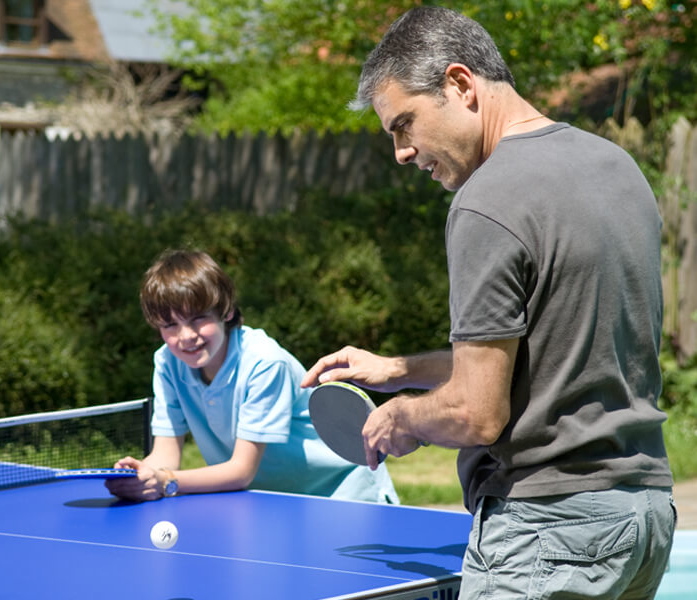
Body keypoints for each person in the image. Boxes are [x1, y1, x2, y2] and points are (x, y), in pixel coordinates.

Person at [301, 6, 675, 599]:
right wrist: (399, 371)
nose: (401, 152)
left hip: (548, 528)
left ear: (460, 84)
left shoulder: (486, 200)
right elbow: (553, 350)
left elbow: (477, 414)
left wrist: (401, 416)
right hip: (643, 519)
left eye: (405, 124)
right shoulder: (617, 168)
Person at [106, 248, 398, 504]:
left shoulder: (265, 363)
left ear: (227, 312)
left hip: (342, 495)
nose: (186, 336)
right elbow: (165, 457)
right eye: (170, 325)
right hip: (269, 501)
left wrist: (165, 481)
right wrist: (141, 476)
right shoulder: (167, 362)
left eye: (198, 318)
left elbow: (241, 471)